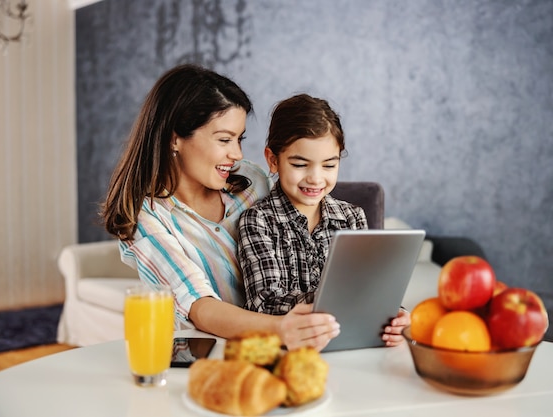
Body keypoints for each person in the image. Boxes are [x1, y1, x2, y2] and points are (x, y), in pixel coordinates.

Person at [101, 64, 340, 351]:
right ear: (175, 137)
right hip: (214, 352)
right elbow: (199, 305)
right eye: (224, 139)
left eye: (239, 139)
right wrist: (279, 328)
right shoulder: (147, 216)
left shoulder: (252, 181)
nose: (237, 154)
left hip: (293, 346)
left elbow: (311, 220)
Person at [238, 94, 410, 347]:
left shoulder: (352, 217)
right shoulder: (257, 220)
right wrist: (337, 302)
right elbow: (264, 303)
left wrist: (393, 313)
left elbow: (372, 287)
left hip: (353, 346)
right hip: (291, 350)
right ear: (273, 160)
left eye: (329, 165)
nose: (316, 179)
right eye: (300, 164)